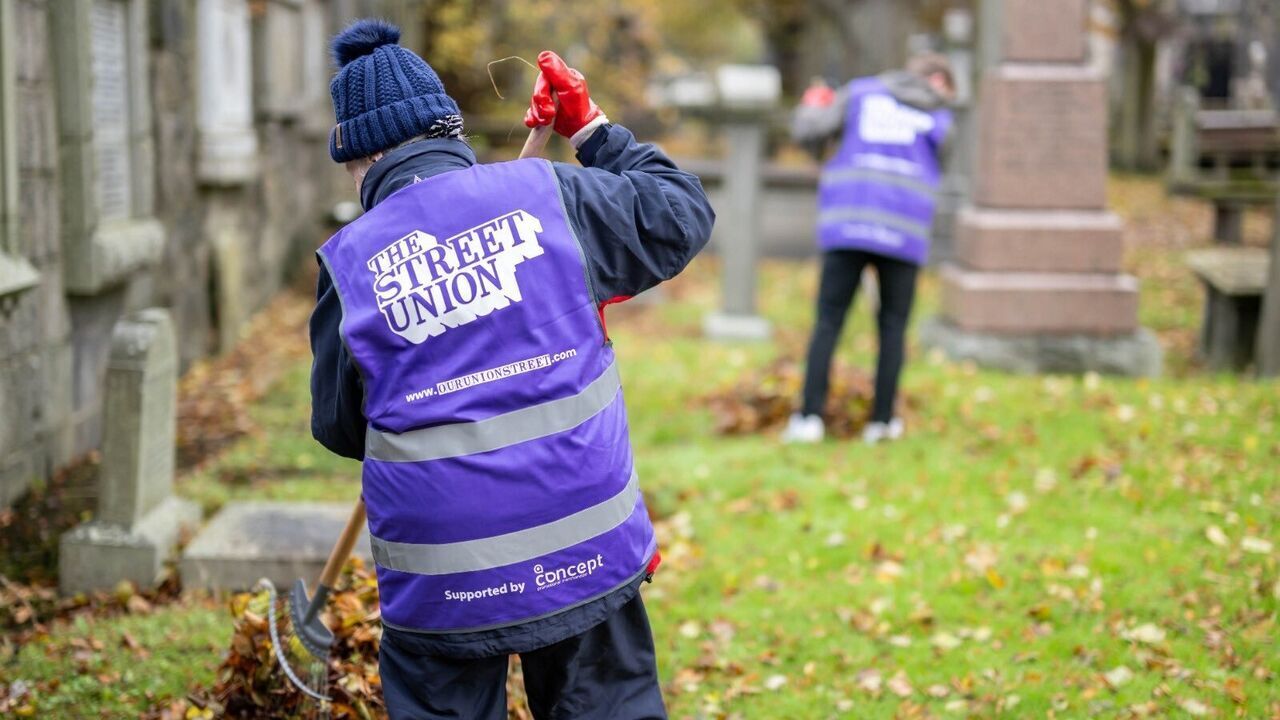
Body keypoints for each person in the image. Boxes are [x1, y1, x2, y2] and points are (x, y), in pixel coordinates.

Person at [308, 20, 713, 719]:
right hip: (584, 549)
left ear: (362, 158)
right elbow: (680, 214)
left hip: (444, 581)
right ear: (447, 132)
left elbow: (340, 427)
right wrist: (590, 132)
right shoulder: (550, 196)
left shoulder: (348, 264)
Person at [783, 54, 954, 445]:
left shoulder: (860, 93)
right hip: (904, 232)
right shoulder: (941, 119)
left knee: (828, 321)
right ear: (939, 83)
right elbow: (941, 166)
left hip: (849, 222)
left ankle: (809, 418)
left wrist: (812, 104)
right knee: (893, 327)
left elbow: (810, 130)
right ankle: (882, 423)